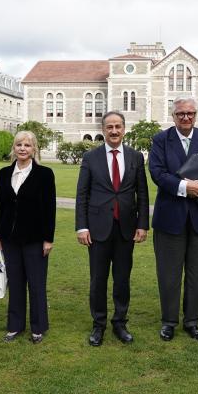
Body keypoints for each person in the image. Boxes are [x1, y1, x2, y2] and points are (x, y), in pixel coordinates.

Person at [148, 96, 198, 341]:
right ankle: (169, 321)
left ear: (195, 115)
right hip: (170, 216)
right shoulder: (161, 140)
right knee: (169, 273)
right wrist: (183, 187)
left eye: (190, 113)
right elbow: (157, 172)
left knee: (197, 273)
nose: (186, 117)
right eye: (181, 113)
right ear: (173, 116)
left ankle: (192, 321)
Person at [76, 111, 149, 346]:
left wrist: (142, 225)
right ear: (103, 130)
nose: (114, 131)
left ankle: (120, 322)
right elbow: (82, 195)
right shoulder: (91, 157)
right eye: (110, 127)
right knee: (98, 279)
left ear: (124, 129)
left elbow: (143, 195)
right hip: (97, 229)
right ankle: (98, 325)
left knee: (122, 279)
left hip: (126, 228)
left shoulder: (136, 157)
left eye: (118, 126)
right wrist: (81, 227)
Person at [0, 131, 56, 344]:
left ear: (34, 149)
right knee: (16, 283)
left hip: (35, 239)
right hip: (10, 239)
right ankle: (15, 326)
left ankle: (38, 327)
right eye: (19, 144)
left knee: (36, 283)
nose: (22, 148)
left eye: (27, 145)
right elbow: (0, 207)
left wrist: (48, 239)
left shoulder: (45, 174)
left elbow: (50, 209)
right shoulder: (4, 173)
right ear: (14, 148)